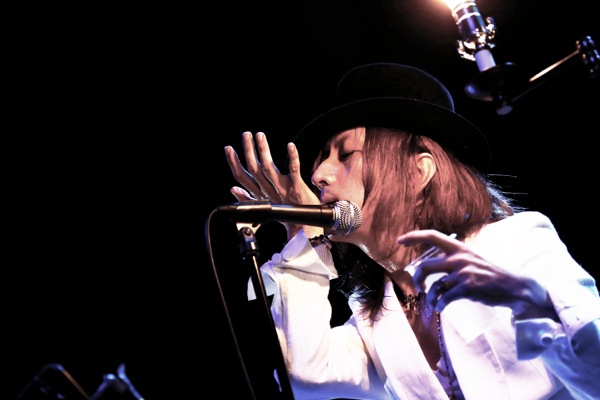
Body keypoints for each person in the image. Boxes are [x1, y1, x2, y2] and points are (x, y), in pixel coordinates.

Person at [223, 63, 600, 399]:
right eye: (322, 159)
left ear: (417, 172)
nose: (318, 175)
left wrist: (533, 305)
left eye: (344, 155)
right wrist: (302, 232)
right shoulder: (373, 318)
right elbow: (306, 375)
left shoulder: (513, 243)